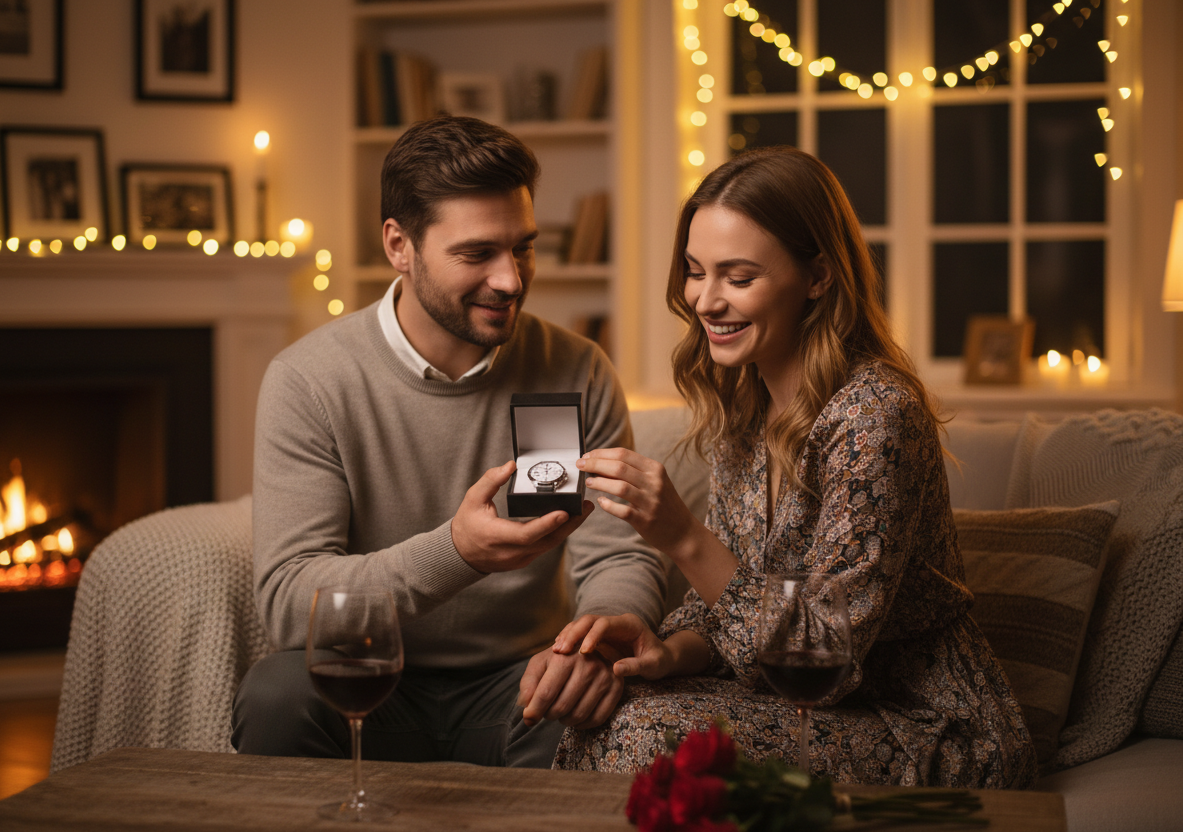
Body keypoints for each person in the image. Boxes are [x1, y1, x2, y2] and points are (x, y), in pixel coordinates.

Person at [543, 147, 1037, 788]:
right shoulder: (742, 407)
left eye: (738, 277)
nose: (705, 300)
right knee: (603, 710)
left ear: (819, 276)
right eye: (695, 272)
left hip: (926, 724)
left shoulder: (874, 415)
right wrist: (668, 651)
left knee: (639, 738)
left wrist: (682, 535)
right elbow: (726, 609)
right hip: (798, 703)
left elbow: (822, 656)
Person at [232, 115, 665, 768]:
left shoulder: (574, 370)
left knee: (624, 711)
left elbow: (615, 557)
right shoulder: (311, 381)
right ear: (398, 245)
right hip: (371, 677)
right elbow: (292, 605)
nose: (511, 280)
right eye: (477, 254)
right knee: (275, 695)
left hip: (520, 687)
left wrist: (592, 646)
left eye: (523, 247)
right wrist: (457, 551)